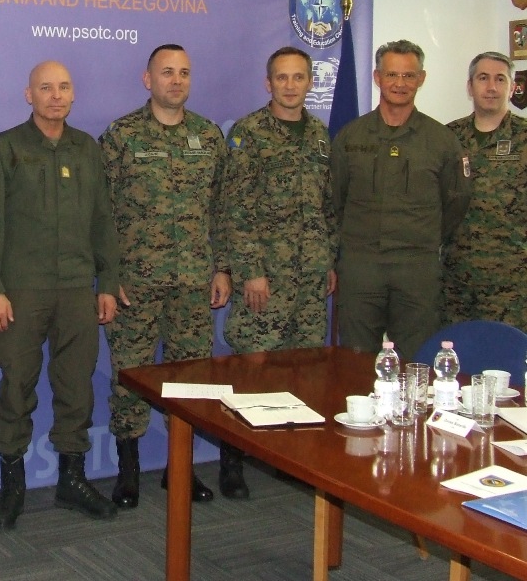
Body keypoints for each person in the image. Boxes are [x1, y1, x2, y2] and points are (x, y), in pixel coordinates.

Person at [0, 60, 120, 529]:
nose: (56, 96)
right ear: (28, 95)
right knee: (16, 387)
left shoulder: (87, 149)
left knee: (76, 387)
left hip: (76, 289)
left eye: (64, 87)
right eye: (46, 88)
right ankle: (12, 485)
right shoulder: (6, 148)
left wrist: (107, 283)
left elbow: (103, 221)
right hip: (22, 291)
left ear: (73, 95)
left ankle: (72, 480)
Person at [100, 44, 234, 506]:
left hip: (194, 282)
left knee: (190, 379)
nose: (176, 81)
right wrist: (109, 274)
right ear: (148, 79)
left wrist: (222, 268)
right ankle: (129, 472)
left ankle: (180, 468)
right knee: (129, 375)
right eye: (167, 72)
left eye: (184, 73)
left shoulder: (208, 135)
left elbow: (221, 209)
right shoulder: (122, 136)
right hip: (134, 284)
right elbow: (101, 212)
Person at [331, 39, 470, 361]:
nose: (400, 83)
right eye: (392, 74)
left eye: (409, 75)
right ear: (377, 77)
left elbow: (456, 201)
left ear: (421, 79)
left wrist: (423, 238)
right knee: (354, 359)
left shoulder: (442, 140)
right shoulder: (351, 136)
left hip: (416, 268)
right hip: (362, 265)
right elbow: (337, 198)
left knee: (416, 359)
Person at [223, 47, 338, 353]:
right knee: (257, 368)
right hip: (267, 280)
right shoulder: (248, 133)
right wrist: (251, 272)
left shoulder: (320, 134)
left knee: (307, 368)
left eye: (298, 77)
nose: (290, 86)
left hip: (311, 281)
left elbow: (326, 206)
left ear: (310, 82)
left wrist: (327, 261)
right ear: (268, 83)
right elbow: (236, 209)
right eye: (281, 77)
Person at [444, 52, 527, 329]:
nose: (491, 87)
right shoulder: (447, 138)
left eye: (500, 79)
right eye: (483, 78)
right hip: (455, 280)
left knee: (507, 355)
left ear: (513, 88)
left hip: (513, 284)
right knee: (455, 352)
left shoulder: (524, 137)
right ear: (470, 87)